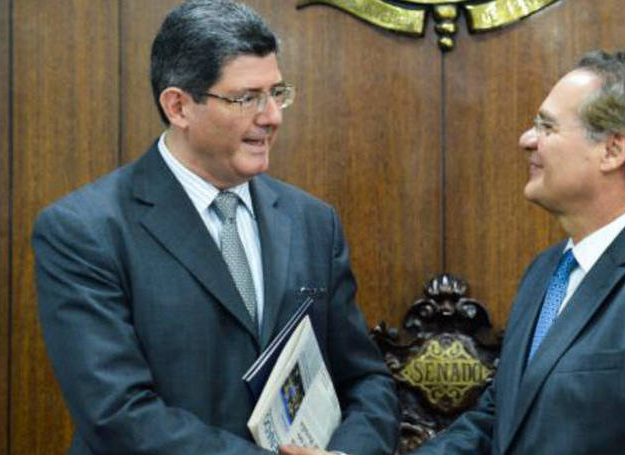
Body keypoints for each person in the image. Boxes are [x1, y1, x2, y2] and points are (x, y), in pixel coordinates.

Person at [31, 1, 398, 454]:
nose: (272, 116)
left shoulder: (312, 221)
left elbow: (364, 380)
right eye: (247, 98)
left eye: (277, 92)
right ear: (179, 106)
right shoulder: (85, 232)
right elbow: (116, 413)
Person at [405, 50, 625, 454]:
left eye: (547, 127)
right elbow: (499, 421)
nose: (527, 140)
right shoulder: (546, 271)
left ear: (613, 149)